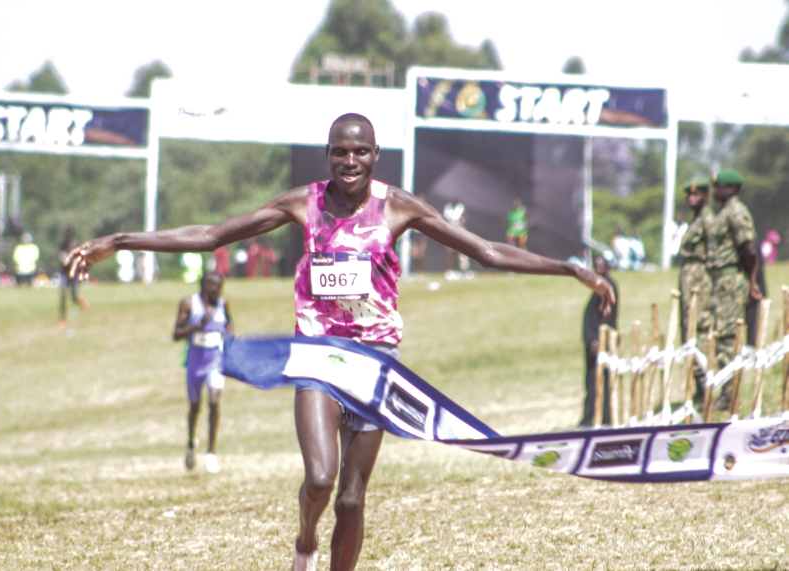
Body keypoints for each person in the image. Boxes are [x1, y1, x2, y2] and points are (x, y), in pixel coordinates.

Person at [65, 113, 615, 571]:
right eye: (338, 153)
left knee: (352, 499)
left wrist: (570, 269)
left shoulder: (398, 206)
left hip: (377, 365)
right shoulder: (303, 205)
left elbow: (487, 252)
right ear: (327, 156)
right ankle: (305, 544)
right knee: (321, 480)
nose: (349, 162)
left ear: (376, 156)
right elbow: (212, 235)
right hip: (319, 356)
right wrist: (119, 240)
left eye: (359, 152)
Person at [706, 169, 760, 410]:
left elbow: (749, 250)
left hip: (731, 281)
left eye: (720, 186)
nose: (715, 190)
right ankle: (726, 390)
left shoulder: (736, 212)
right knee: (721, 336)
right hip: (720, 281)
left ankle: (729, 394)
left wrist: (752, 280)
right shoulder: (724, 212)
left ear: (732, 189)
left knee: (728, 337)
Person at [173, 272, 232, 474]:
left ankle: (211, 452)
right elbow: (176, 334)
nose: (220, 290)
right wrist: (197, 325)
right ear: (206, 286)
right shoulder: (189, 304)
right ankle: (191, 444)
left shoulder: (223, 304)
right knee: (195, 407)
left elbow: (229, 324)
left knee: (214, 401)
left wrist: (229, 341)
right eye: (217, 286)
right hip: (195, 363)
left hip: (215, 361)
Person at [678, 180, 713, 399]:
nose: (691, 199)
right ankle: (698, 386)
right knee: (689, 331)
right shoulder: (696, 220)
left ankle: (705, 386)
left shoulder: (708, 220)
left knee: (698, 330)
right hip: (690, 281)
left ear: (705, 196)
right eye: (689, 195)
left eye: (696, 195)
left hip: (700, 283)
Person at [578, 254, 618, 427]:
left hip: (599, 344)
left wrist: (596, 341)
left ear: (609, 267)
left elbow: (607, 317)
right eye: (596, 266)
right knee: (591, 383)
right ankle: (594, 418)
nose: (598, 269)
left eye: (601, 266)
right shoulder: (599, 286)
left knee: (598, 383)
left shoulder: (608, 287)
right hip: (593, 343)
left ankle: (594, 420)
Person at [57, 228, 90, 329]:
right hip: (64, 272)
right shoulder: (62, 244)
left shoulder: (77, 245)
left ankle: (79, 299)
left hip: (74, 272)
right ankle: (62, 319)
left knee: (73, 296)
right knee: (63, 294)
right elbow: (59, 256)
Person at [442, 200, 470, 278]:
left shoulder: (461, 208)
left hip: (460, 232)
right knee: (450, 253)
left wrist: (462, 221)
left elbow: (466, 220)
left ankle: (462, 271)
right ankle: (449, 271)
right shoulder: (448, 208)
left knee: (461, 253)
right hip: (450, 233)